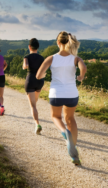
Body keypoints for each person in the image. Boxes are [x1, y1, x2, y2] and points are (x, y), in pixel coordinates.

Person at [36, 31, 87, 165]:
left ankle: (65, 133)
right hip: (71, 94)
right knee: (70, 118)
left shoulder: (51, 58)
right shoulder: (75, 58)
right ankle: (74, 154)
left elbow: (38, 75)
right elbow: (83, 67)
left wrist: (44, 75)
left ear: (58, 43)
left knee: (56, 117)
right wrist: (81, 76)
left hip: (56, 94)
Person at [22, 38, 45, 134]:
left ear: (29, 46)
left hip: (30, 80)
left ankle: (37, 124)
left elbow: (25, 67)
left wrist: (26, 63)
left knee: (33, 106)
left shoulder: (26, 57)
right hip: (39, 81)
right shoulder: (42, 58)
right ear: (38, 47)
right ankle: (35, 115)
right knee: (35, 102)